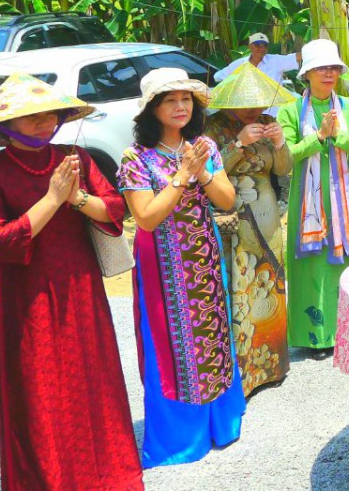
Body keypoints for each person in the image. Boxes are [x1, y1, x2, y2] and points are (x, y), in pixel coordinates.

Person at [0, 75, 144, 491]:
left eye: (50, 114)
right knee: (38, 387)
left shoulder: (76, 157)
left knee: (92, 377)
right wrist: (53, 198)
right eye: (32, 116)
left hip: (80, 282)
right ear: (6, 124)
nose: (45, 122)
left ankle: (104, 471)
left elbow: (115, 208)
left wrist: (77, 198)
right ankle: (49, 479)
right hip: (26, 292)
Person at [119, 67, 244, 467]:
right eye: (170, 100)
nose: (180, 106)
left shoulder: (204, 145)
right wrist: (182, 176)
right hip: (162, 265)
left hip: (204, 257)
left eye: (186, 98)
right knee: (170, 343)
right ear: (151, 109)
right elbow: (146, 218)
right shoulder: (136, 157)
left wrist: (202, 171)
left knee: (213, 336)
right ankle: (180, 438)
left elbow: (226, 200)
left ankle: (221, 423)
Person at [204, 62, 297, 396]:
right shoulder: (212, 128)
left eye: (257, 103)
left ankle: (273, 365)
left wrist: (280, 143)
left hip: (267, 212)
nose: (253, 110)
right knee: (241, 288)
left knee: (271, 283)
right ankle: (244, 372)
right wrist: (238, 144)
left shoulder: (268, 122)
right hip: (233, 212)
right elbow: (209, 171)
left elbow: (283, 169)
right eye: (246, 104)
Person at [278, 39, 349, 350]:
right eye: (320, 68)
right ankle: (314, 337)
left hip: (342, 196)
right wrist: (319, 136)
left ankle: (347, 331)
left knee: (342, 262)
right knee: (311, 264)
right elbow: (286, 157)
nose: (328, 73)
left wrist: (338, 136)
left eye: (333, 68)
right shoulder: (290, 111)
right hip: (306, 201)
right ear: (307, 73)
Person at [215, 32, 301, 87]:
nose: (261, 48)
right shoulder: (240, 64)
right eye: (257, 45)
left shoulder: (275, 61)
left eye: (264, 46)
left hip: (272, 109)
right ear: (250, 46)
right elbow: (219, 77)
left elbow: (295, 57)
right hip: (248, 108)